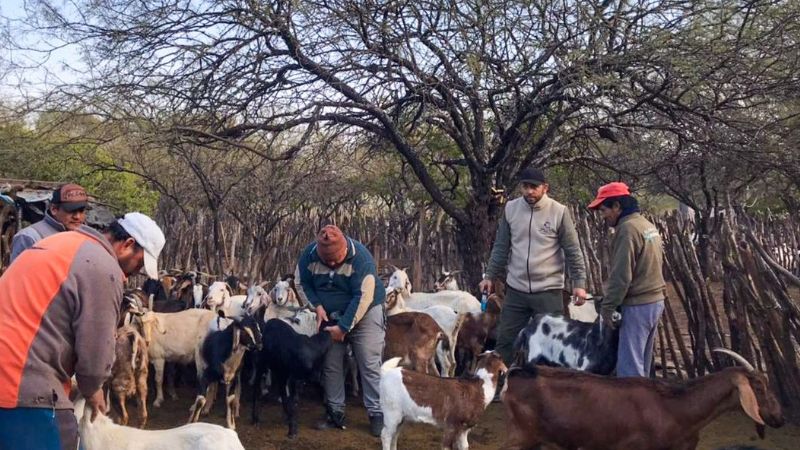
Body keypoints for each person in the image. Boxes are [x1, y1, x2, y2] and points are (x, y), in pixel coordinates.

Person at [0, 212, 165, 450]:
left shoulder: (59, 242)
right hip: (22, 385)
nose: (133, 273)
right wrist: (93, 388)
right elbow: (96, 350)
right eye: (138, 264)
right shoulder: (102, 267)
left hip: (10, 374)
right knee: (63, 436)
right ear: (127, 244)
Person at [480, 167, 588, 366]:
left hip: (548, 290)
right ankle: (499, 386)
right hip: (516, 289)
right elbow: (501, 246)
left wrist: (579, 283)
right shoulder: (511, 209)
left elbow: (573, 250)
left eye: (534, 187)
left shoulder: (558, 211)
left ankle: (550, 390)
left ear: (545, 188)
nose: (529, 191)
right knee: (505, 340)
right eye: (525, 186)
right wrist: (489, 275)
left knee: (552, 343)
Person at [297, 225, 386, 437]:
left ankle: (377, 414)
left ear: (345, 248)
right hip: (328, 314)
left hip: (366, 311)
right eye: (326, 260)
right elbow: (303, 285)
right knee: (331, 362)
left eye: (336, 259)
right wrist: (316, 306)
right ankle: (335, 412)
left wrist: (344, 327)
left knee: (368, 360)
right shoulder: (308, 257)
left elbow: (363, 297)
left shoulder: (361, 260)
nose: (332, 264)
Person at [588, 182, 666, 377]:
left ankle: (633, 407)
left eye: (604, 209)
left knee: (629, 370)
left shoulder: (627, 230)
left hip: (638, 305)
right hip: (654, 302)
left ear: (617, 206)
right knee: (642, 364)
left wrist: (608, 307)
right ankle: (645, 405)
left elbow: (621, 276)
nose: (603, 215)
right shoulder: (646, 225)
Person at [10, 183, 89, 263]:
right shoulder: (30, 237)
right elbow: (18, 274)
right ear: (54, 209)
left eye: (81, 211)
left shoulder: (85, 236)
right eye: (71, 211)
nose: (77, 216)